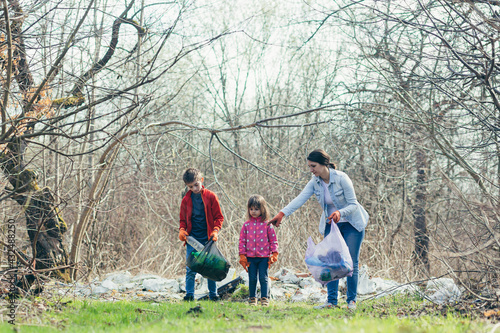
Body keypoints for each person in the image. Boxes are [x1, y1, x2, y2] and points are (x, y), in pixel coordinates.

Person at [268, 149, 368, 310]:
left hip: (352, 224)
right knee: (331, 263)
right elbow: (300, 198)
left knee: (351, 263)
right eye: (309, 166)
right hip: (331, 225)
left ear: (324, 164)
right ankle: (331, 302)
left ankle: (352, 301)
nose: (311, 170)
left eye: (313, 166)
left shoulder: (342, 178)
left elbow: (353, 204)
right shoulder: (315, 182)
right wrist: (282, 213)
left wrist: (339, 212)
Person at [179, 168, 224, 301]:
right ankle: (189, 295)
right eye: (190, 186)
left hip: (208, 238)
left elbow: (219, 217)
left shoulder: (211, 196)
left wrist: (215, 231)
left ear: (201, 180)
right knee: (190, 267)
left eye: (196, 185)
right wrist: (182, 230)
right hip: (192, 239)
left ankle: (213, 294)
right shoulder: (186, 200)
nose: (194, 188)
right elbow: (182, 220)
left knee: (209, 267)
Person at [239, 195, 279, 307]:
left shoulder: (267, 225)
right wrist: (242, 255)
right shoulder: (246, 225)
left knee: (263, 278)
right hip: (250, 257)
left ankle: (264, 298)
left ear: (262, 209)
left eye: (256, 209)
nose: (253, 211)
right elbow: (242, 241)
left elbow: (273, 240)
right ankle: (252, 298)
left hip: (264, 257)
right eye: (251, 209)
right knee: (252, 278)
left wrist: (274, 253)